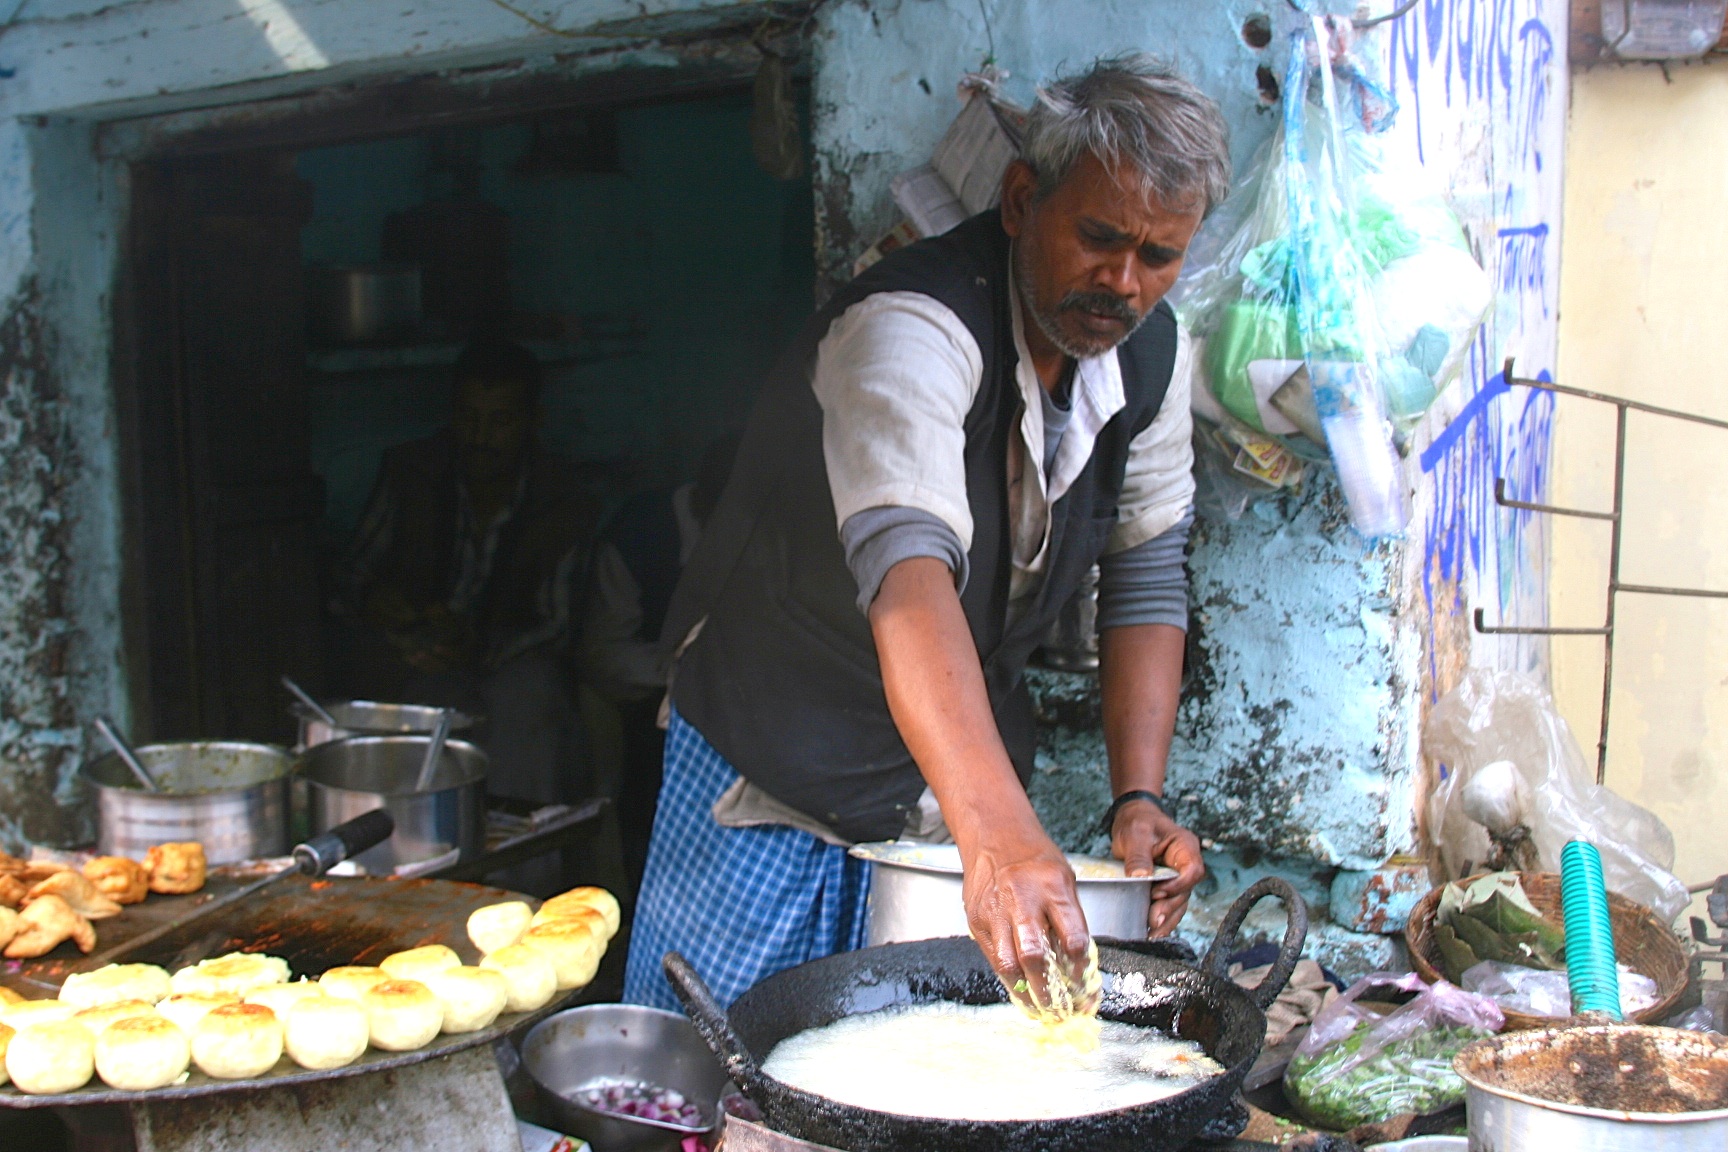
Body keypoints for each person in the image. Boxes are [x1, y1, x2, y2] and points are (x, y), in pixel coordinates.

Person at [624, 55, 1227, 1011]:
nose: (1123, 282)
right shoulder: (910, 326)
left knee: (892, 1065)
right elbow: (909, 575)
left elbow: (1147, 576)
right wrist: (999, 831)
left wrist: (1138, 800)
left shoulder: (1148, 355)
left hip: (938, 771)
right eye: (1100, 238)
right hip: (774, 751)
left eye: (1158, 256)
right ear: (1024, 199)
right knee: (713, 1060)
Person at [341, 337, 601, 808]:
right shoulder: (411, 471)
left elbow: (559, 626)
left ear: (531, 422)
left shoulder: (563, 500)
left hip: (509, 667)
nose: (481, 438)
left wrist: (474, 646)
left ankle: (524, 858)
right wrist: (384, 608)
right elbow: (352, 575)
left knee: (530, 700)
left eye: (499, 421)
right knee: (396, 696)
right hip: (416, 660)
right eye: (468, 418)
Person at [579, 433, 741, 890]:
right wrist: (685, 670)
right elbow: (601, 656)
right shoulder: (639, 540)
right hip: (643, 709)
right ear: (705, 503)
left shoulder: (776, 538)